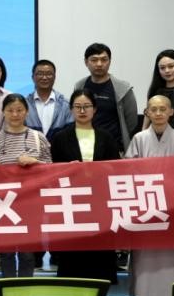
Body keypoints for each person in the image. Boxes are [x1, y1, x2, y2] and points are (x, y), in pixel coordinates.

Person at [125, 95, 174, 296]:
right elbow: (128, 169)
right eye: (153, 109)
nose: (158, 113)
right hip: (147, 203)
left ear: (171, 111)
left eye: (163, 109)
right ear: (147, 112)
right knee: (145, 253)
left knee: (172, 252)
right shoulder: (139, 138)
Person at [49, 89, 122, 283]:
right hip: (72, 204)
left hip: (100, 203)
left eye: (87, 106)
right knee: (73, 256)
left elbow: (116, 168)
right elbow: (52, 171)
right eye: (77, 107)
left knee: (99, 257)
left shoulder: (106, 137)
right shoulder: (60, 137)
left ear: (95, 109)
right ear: (71, 110)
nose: (82, 111)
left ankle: (101, 294)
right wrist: (67, 169)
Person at [0, 93, 52, 277]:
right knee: (6, 252)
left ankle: (25, 288)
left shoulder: (38, 137)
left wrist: (35, 162)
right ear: (3, 112)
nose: (15, 114)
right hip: (4, 203)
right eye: (10, 110)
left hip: (31, 203)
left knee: (27, 252)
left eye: (19, 110)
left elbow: (51, 170)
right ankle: (7, 288)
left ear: (27, 112)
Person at [73, 42, 139, 153]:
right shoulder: (79, 86)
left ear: (110, 61)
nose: (99, 64)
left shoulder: (123, 89)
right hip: (85, 148)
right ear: (86, 62)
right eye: (94, 60)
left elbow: (131, 123)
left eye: (104, 60)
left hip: (115, 149)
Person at [25, 59, 72, 138]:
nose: (44, 77)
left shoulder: (66, 105)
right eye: (40, 74)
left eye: (49, 74)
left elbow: (70, 133)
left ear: (54, 77)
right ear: (33, 77)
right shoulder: (24, 104)